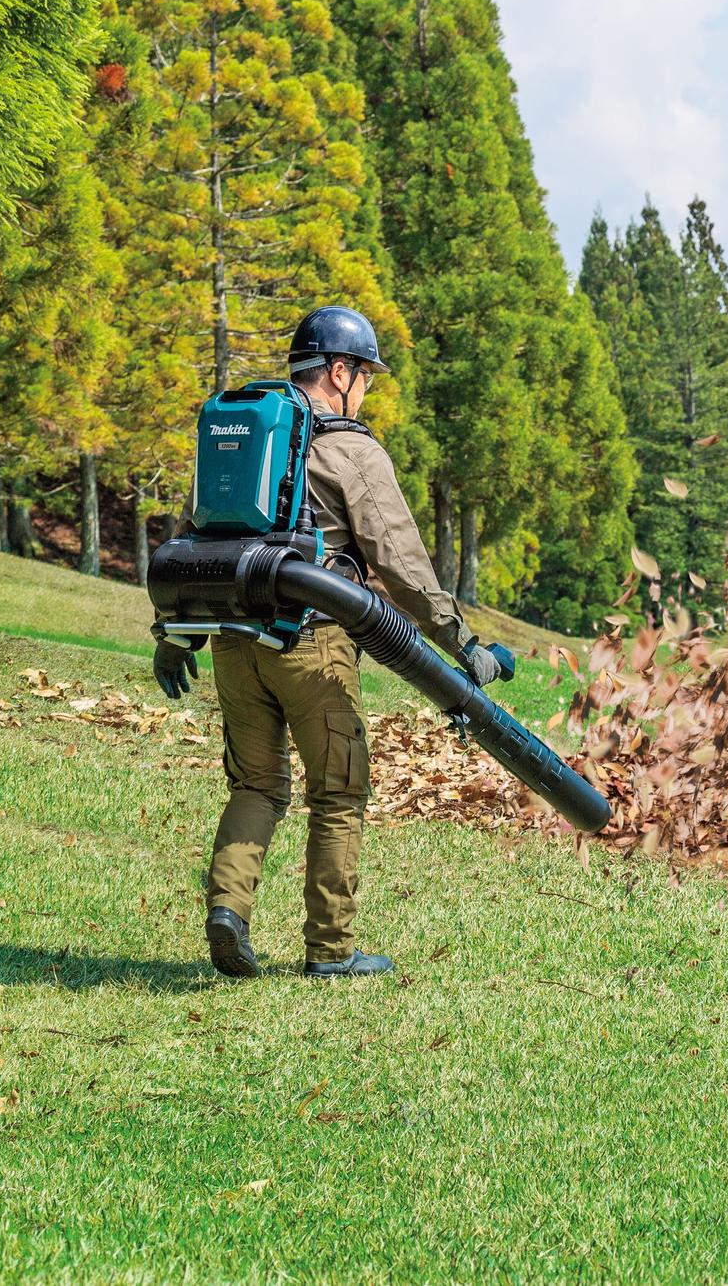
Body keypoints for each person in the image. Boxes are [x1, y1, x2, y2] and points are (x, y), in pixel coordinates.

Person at [153, 306, 505, 980]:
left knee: (257, 781)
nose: (368, 387)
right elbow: (399, 560)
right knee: (339, 792)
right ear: (340, 372)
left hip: (233, 639)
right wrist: (463, 640)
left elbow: (196, 542)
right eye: (366, 374)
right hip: (313, 643)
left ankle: (228, 911)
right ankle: (332, 949)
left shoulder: (247, 437)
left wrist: (171, 637)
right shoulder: (351, 450)